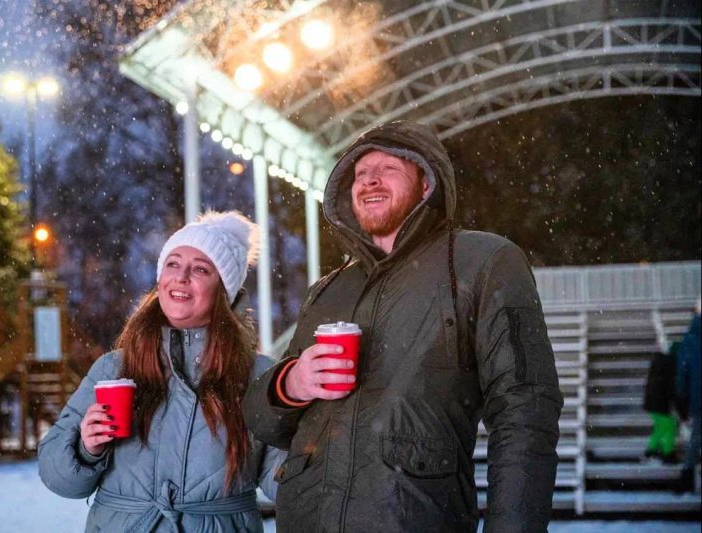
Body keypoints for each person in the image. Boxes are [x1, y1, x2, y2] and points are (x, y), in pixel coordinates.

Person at [243, 120, 563, 532]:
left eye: (389, 168)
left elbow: (525, 409)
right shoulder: (329, 289)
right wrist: (291, 384)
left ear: (427, 184)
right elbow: (263, 422)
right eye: (360, 173)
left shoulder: (483, 261)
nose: (370, 180)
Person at [38, 210, 286, 532]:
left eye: (200, 269)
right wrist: (87, 449)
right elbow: (56, 476)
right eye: (172, 263)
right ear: (160, 280)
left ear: (223, 291)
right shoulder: (114, 368)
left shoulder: (259, 375)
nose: (181, 277)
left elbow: (286, 481)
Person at [675, 298, 701, 493]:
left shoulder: (690, 338)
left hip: (697, 398)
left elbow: (682, 373)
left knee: (695, 439)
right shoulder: (691, 338)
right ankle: (687, 476)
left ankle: (687, 476)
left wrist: (682, 397)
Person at [643, 342, 681, 463]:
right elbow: (672, 389)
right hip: (660, 402)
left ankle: (652, 451)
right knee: (670, 426)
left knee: (662, 426)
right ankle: (667, 453)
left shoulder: (661, 362)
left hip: (652, 401)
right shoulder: (672, 365)